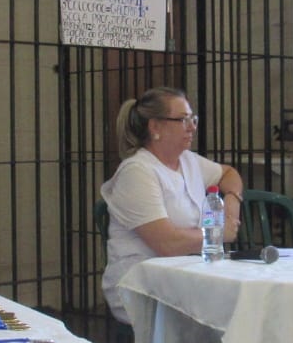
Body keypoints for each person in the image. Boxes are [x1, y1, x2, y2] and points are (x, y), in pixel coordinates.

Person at [100, 87, 243, 323]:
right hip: (144, 283)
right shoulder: (137, 171)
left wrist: (232, 202)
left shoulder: (188, 161)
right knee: (233, 310)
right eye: (182, 120)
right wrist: (217, 234)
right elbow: (167, 244)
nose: (192, 126)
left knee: (245, 301)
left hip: (188, 273)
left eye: (192, 119)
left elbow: (229, 174)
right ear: (154, 127)